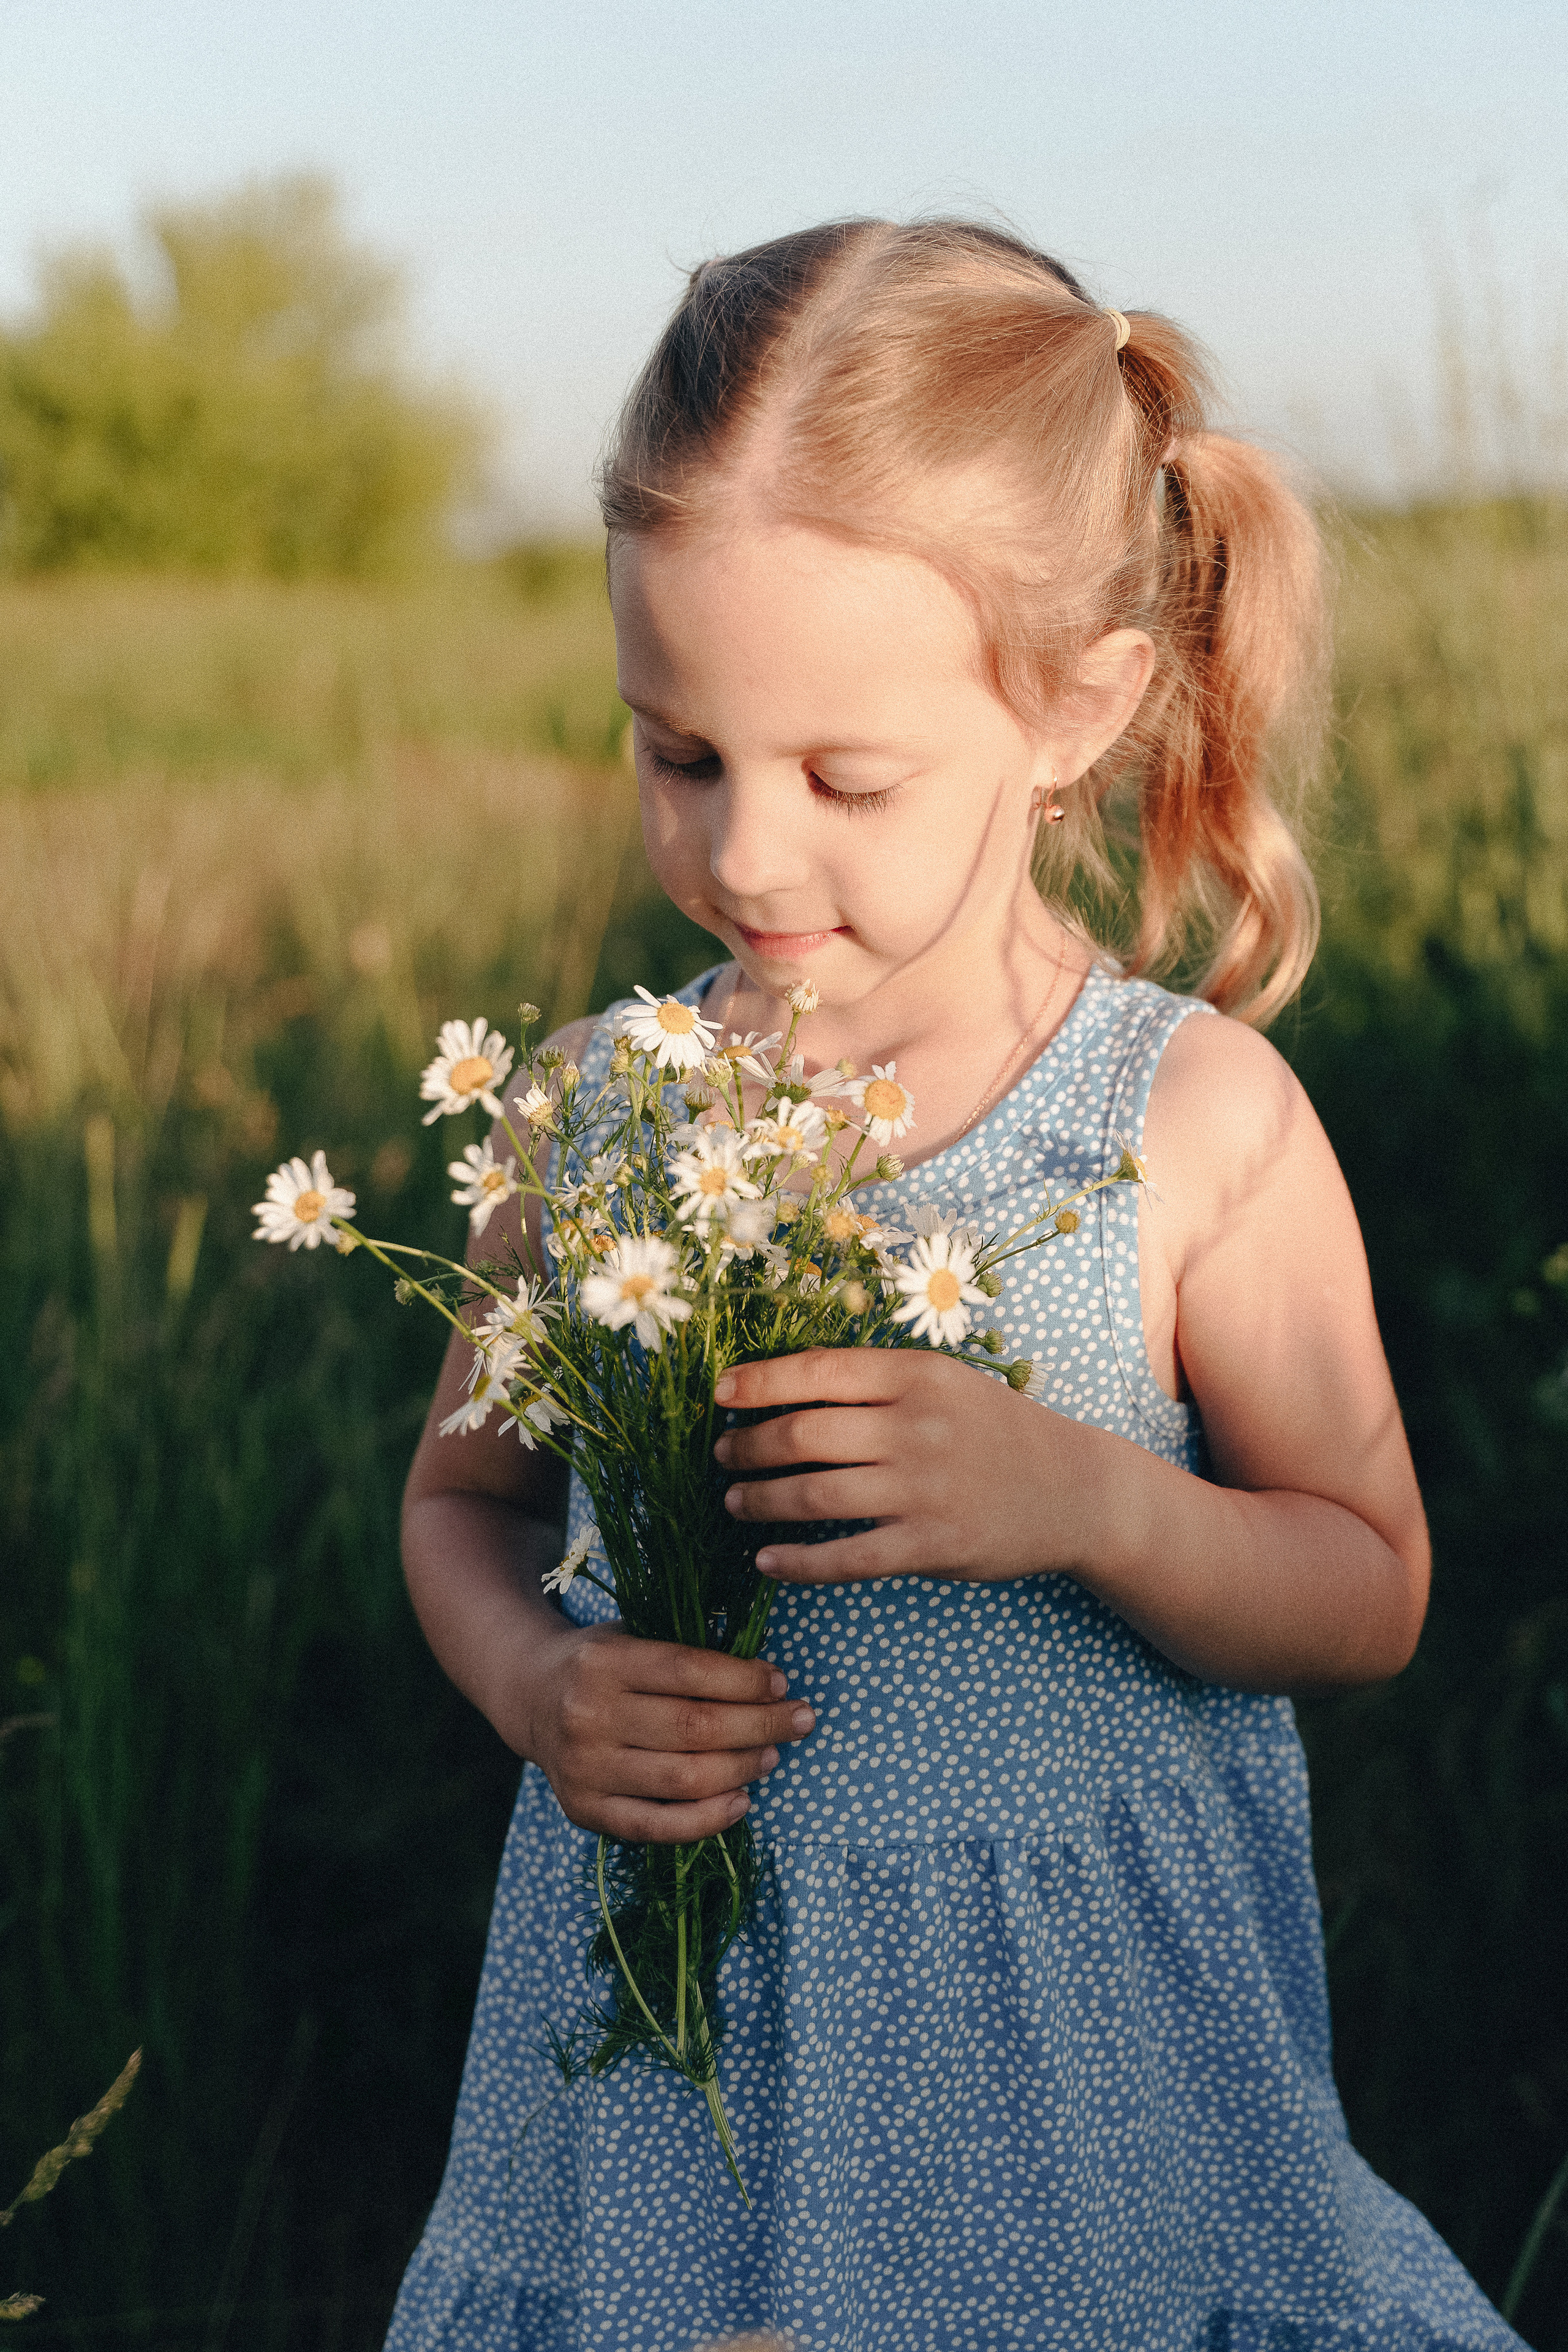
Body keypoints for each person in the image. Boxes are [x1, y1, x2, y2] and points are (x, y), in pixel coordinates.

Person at [385, 222, 1521, 2351]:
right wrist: (540, 1687)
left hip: (1084, 2105)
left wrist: (1087, 1500)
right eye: (680, 754)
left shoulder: (1189, 1121)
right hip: (674, 2089)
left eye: (846, 778)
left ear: (1076, 705)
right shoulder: (591, 1115)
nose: (745, 854)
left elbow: (1369, 1583)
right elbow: (465, 1506)